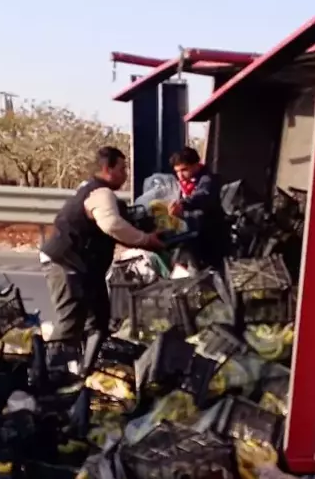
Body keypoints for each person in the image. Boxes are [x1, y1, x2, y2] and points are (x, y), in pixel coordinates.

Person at [41, 145, 161, 368]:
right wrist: (146, 240)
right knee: (71, 321)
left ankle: (86, 371)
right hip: (66, 262)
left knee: (98, 321)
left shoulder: (93, 190)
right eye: (122, 169)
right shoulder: (100, 193)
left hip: (86, 268)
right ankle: (48, 371)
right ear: (108, 169)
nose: (125, 175)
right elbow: (112, 225)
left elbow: (115, 226)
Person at [169, 146, 228, 270]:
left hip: (211, 236)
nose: (180, 176)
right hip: (193, 233)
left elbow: (203, 196)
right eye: (177, 171)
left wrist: (183, 205)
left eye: (184, 170)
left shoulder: (208, 180)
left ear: (196, 165)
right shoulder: (184, 184)